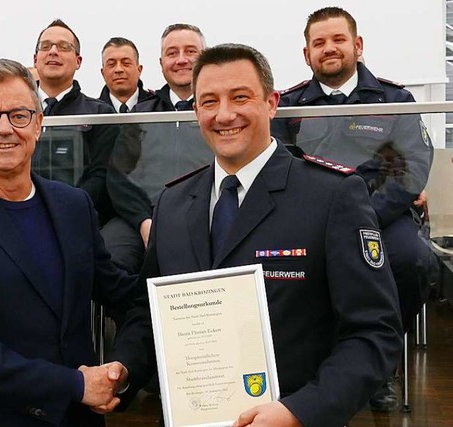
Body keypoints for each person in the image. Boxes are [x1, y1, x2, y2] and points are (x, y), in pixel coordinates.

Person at [142, 43, 402, 427]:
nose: (224, 114)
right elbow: (144, 312)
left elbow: (373, 332)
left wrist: (301, 411)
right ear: (195, 110)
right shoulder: (172, 203)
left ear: (271, 103)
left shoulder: (331, 196)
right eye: (209, 101)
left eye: (240, 97)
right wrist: (122, 370)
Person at [0, 58, 150, 427]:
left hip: (77, 419)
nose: (4, 128)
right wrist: (74, 384)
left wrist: (123, 368)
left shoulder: (73, 206)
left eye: (19, 115)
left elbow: (125, 295)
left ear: (38, 124)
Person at [270, 7, 435, 411]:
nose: (329, 48)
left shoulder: (396, 100)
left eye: (338, 40)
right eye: (319, 42)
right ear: (306, 54)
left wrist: (361, 216)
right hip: (310, 221)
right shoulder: (289, 107)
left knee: (412, 261)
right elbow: (284, 167)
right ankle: (317, 361)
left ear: (357, 46)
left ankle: (378, 363)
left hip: (380, 218)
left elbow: (408, 168)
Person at [103, 23, 211, 274]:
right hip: (144, 216)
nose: (181, 60)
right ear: (161, 63)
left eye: (190, 51)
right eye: (172, 53)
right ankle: (133, 315)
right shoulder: (139, 116)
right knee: (110, 254)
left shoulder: (219, 113)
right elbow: (118, 178)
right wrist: (143, 220)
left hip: (205, 215)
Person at [32, 19, 118, 225]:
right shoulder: (14, 111)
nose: (53, 51)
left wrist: (63, 207)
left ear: (78, 61)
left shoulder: (99, 113)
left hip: (77, 217)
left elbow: (102, 175)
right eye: (46, 46)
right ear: (36, 59)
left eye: (64, 47)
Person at [98, 37, 153, 113]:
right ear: (103, 73)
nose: (118, 69)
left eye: (126, 63)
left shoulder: (159, 108)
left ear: (139, 70)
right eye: (111, 64)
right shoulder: (92, 111)